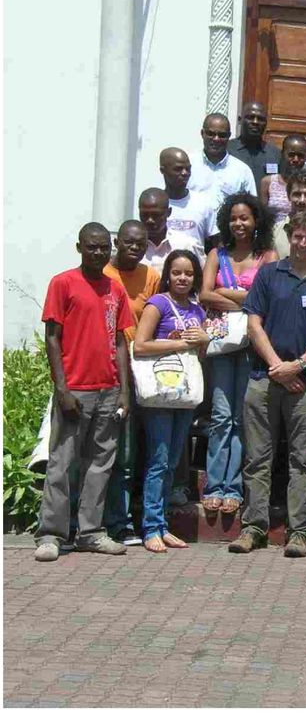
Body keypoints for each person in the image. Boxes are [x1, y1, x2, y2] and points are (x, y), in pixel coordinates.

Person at [228, 211, 306, 556]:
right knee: (257, 458)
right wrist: (278, 366)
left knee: (302, 461)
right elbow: (254, 324)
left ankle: (299, 532)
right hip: (264, 380)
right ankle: (253, 528)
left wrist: (299, 365)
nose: (303, 244)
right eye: (298, 237)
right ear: (289, 237)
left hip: (305, 385)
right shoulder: (268, 274)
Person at [35, 223, 132, 562]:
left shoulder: (115, 289)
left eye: (104, 247)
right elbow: (52, 337)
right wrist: (61, 388)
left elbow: (120, 340)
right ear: (79, 247)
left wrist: (124, 390)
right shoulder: (63, 284)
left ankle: (90, 532)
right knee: (61, 463)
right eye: (92, 247)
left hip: (108, 390)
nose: (99, 253)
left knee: (100, 464)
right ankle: (51, 534)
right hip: (74, 389)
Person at [199, 194, 279, 515]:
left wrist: (225, 294)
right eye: (234, 218)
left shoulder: (268, 256)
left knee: (242, 417)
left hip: (252, 345)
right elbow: (204, 293)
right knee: (220, 416)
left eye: (245, 217)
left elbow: (270, 298)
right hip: (220, 345)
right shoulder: (216, 254)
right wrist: (247, 300)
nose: (239, 223)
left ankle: (234, 486)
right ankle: (215, 484)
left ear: (256, 220)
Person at [133, 251, 209, 553]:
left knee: (173, 461)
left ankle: (163, 526)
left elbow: (199, 356)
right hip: (159, 395)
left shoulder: (197, 309)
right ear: (168, 275)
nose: (182, 278)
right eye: (177, 272)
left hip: (184, 394)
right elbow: (140, 345)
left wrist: (203, 341)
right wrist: (182, 343)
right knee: (158, 460)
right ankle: (150, 527)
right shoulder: (158, 304)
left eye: (189, 274)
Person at [103, 220, 160, 545]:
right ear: (118, 241)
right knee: (100, 453)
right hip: (104, 369)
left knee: (128, 453)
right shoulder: (102, 275)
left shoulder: (150, 276)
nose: (135, 248)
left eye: (141, 243)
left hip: (140, 369)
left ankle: (122, 522)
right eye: (129, 242)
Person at [188, 113, 257, 209]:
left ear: (229, 136)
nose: (216, 139)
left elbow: (252, 207)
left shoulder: (242, 171)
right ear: (202, 133)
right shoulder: (188, 164)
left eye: (222, 135)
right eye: (211, 134)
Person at [158, 149, 219, 253]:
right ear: (163, 170)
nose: (185, 173)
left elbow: (216, 244)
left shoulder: (203, 203)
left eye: (188, 169)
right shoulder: (155, 203)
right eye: (178, 169)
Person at [227, 101, 282, 192]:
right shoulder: (227, 150)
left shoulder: (275, 154)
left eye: (260, 119)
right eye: (250, 117)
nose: (255, 122)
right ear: (240, 120)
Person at [258, 133, 306, 219]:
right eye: (291, 155)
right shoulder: (268, 182)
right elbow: (262, 217)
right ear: (282, 154)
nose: (296, 159)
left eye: (300, 156)